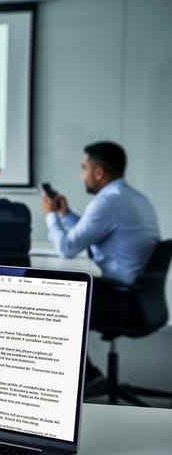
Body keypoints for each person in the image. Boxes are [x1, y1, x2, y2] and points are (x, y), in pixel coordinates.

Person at [41, 140, 160, 393]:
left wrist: (50, 215)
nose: (82, 174)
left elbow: (68, 248)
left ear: (98, 172)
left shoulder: (108, 202)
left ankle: (83, 377)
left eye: (84, 167)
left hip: (121, 301)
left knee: (51, 301)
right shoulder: (130, 197)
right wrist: (66, 215)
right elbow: (90, 231)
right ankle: (88, 374)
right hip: (139, 297)